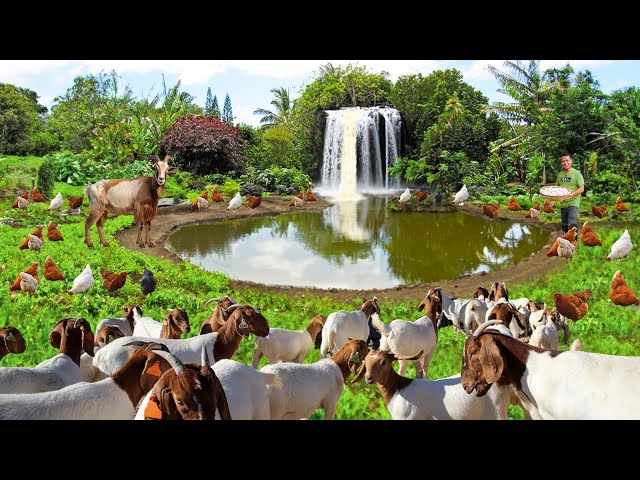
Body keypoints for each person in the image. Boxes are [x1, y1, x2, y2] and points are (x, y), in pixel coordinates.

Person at [556, 154, 585, 234]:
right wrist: (553, 200)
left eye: (567, 161)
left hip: (573, 202)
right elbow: (557, 189)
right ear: (561, 163)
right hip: (563, 203)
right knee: (564, 225)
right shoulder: (560, 174)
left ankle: (573, 243)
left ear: (571, 161)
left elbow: (582, 188)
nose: (565, 163)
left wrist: (572, 194)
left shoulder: (576, 174)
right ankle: (566, 243)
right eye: (563, 161)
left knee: (572, 223)